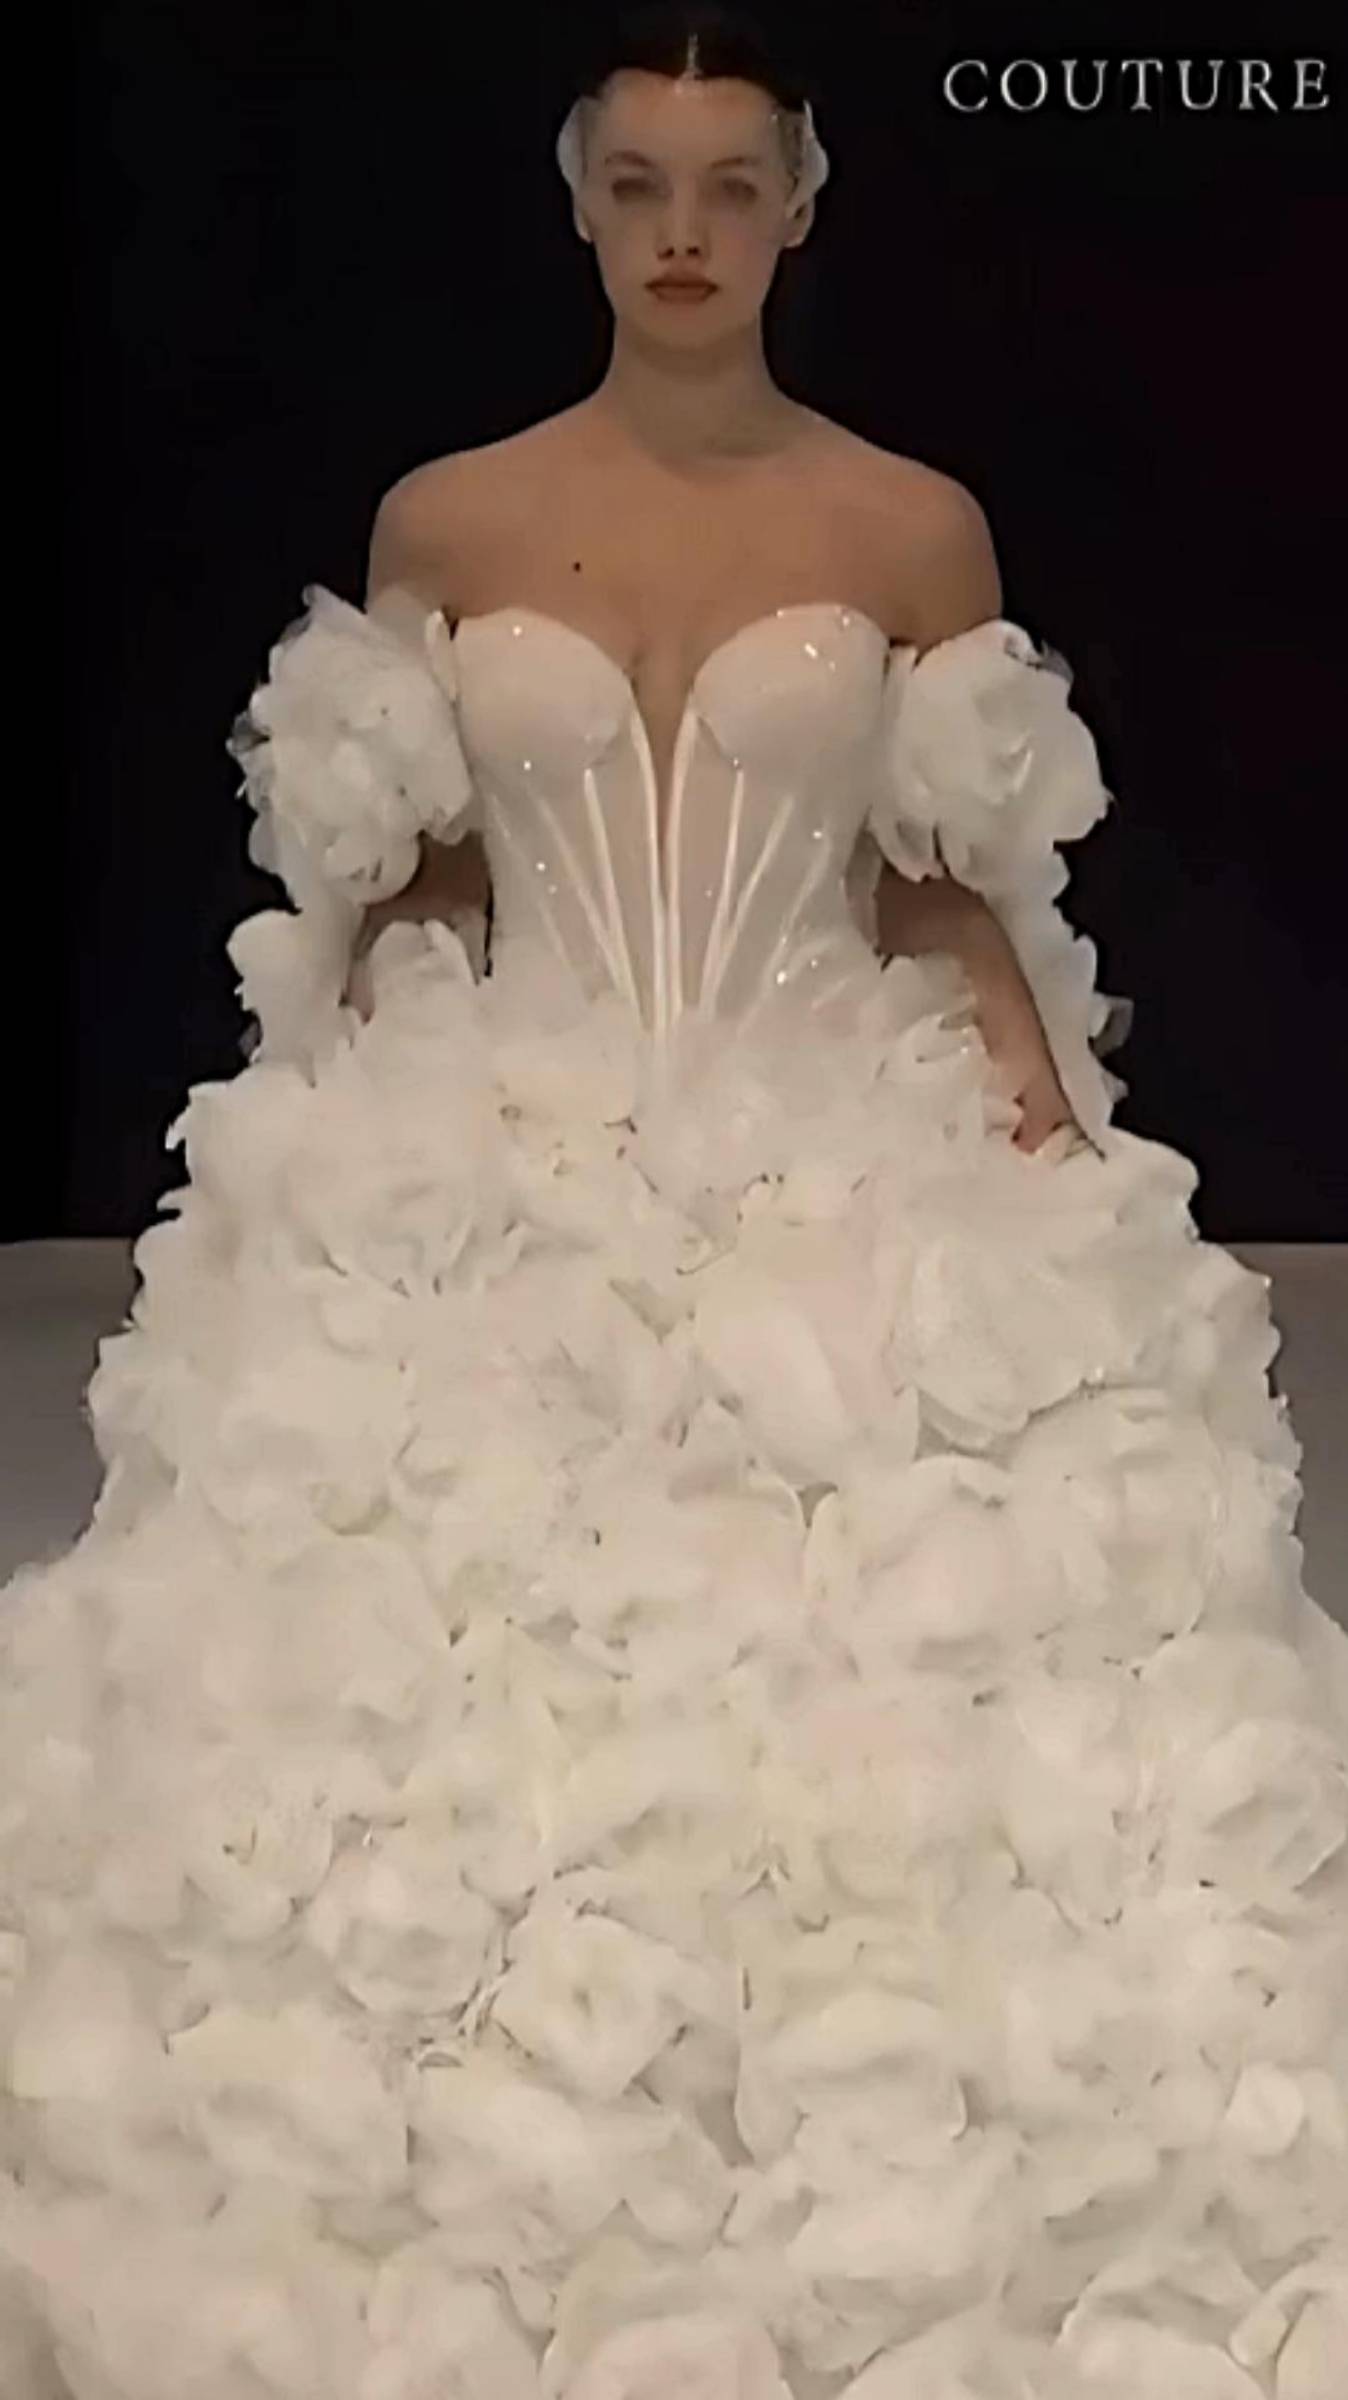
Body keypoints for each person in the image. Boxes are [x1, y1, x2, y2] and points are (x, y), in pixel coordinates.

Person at [4, 7, 1346, 2395]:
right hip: (512, 1127)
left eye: (731, 185)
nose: (683, 231)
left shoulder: (904, 529)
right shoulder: (448, 521)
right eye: (638, 184)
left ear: (802, 207)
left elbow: (932, 878)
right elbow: (423, 871)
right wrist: (334, 1124)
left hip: (821, 1124)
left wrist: (1039, 1121)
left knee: (893, 1664)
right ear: (578, 204)